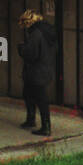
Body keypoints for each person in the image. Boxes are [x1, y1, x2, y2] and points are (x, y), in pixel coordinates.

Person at [18, 9, 57, 137]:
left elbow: (31, 54)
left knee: (40, 98)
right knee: (29, 93)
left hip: (36, 70)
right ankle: (31, 120)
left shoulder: (36, 34)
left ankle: (45, 126)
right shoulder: (47, 31)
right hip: (45, 67)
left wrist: (21, 49)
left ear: (28, 22)